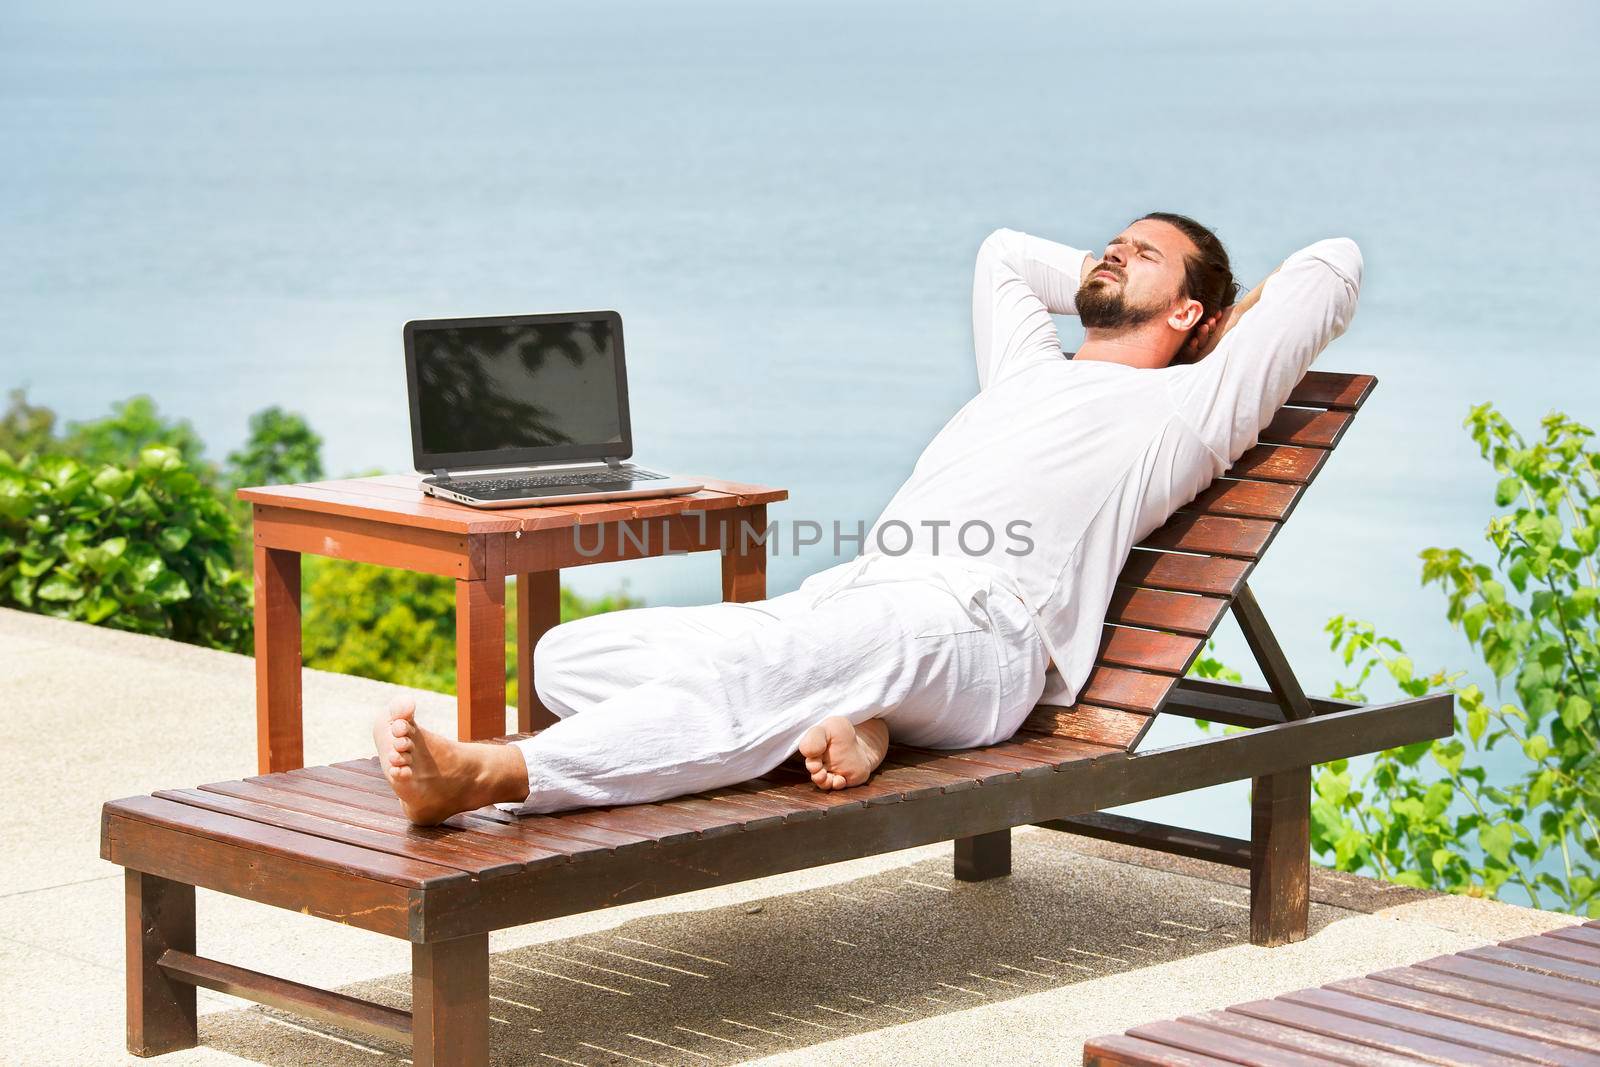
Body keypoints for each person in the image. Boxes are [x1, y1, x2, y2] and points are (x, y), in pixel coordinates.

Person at [373, 213, 1363, 825]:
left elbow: (1333, 265)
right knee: (564, 656)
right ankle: (864, 720)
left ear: (1192, 314)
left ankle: (497, 774)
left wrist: (1223, 326)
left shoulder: (1187, 411)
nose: (1110, 252)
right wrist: (1117, 275)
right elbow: (1005, 256)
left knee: (756, 672)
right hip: (859, 600)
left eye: (1143, 255)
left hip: (982, 632)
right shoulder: (1028, 371)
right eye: (1111, 242)